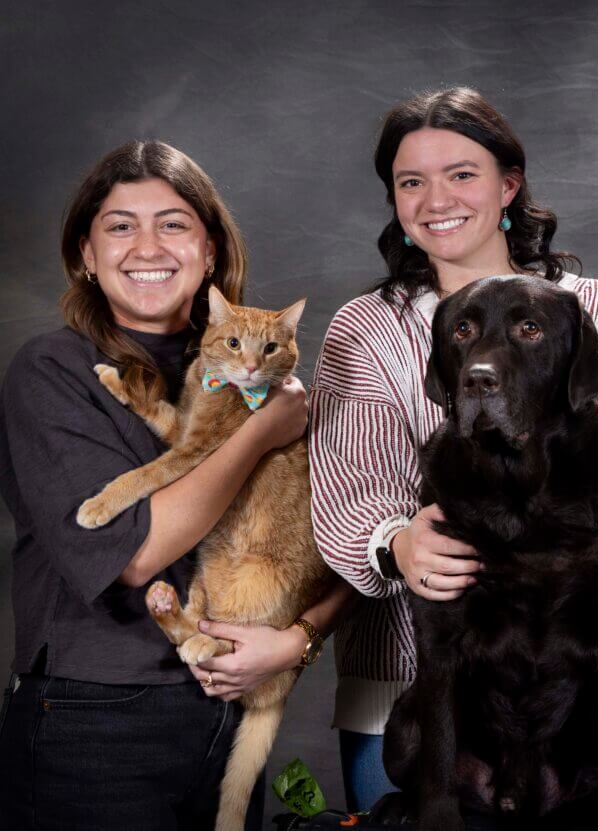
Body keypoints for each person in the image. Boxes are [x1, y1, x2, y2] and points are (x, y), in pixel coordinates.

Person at [307, 87, 598, 811]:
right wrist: (396, 543)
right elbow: (343, 489)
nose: (436, 199)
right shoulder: (363, 327)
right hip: (417, 700)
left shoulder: (597, 307)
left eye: (462, 173)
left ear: (508, 185)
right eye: (411, 181)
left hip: (574, 715)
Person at [0, 140, 353, 830]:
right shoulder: (52, 370)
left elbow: (351, 545)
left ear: (211, 251)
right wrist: (262, 431)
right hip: (95, 718)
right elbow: (135, 552)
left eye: (173, 223)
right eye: (120, 225)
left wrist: (299, 640)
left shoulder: (267, 371)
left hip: (226, 704)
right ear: (86, 255)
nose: (147, 246)